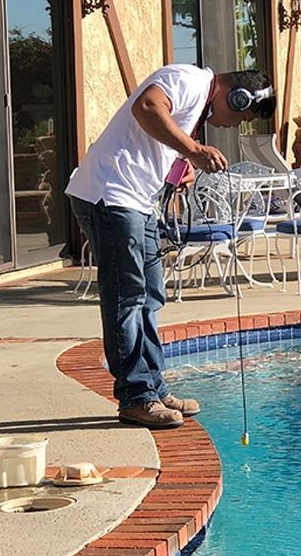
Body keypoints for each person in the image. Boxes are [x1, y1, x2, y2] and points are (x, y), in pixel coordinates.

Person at [66, 65, 276, 429]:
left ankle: (153, 388)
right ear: (236, 95)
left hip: (135, 201)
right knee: (126, 298)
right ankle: (135, 397)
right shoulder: (188, 80)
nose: (233, 126)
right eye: (240, 116)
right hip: (110, 196)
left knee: (149, 297)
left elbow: (150, 139)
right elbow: (146, 108)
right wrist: (193, 149)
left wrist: (179, 167)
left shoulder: (196, 102)